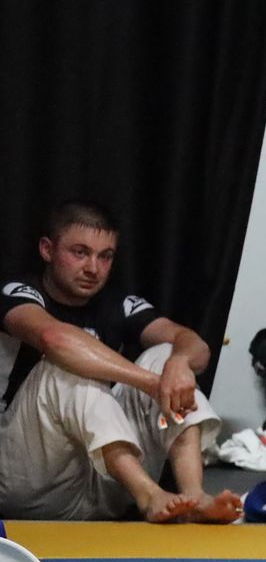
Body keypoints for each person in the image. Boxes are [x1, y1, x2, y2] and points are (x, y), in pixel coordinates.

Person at [0, 201, 238, 523]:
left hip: (101, 481)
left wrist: (178, 364)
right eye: (80, 252)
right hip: (30, 482)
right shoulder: (19, 292)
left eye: (105, 256)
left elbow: (195, 345)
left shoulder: (119, 303)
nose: (93, 268)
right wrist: (153, 383)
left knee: (166, 356)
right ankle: (150, 495)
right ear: (47, 249)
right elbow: (54, 339)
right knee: (66, 366)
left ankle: (193, 496)